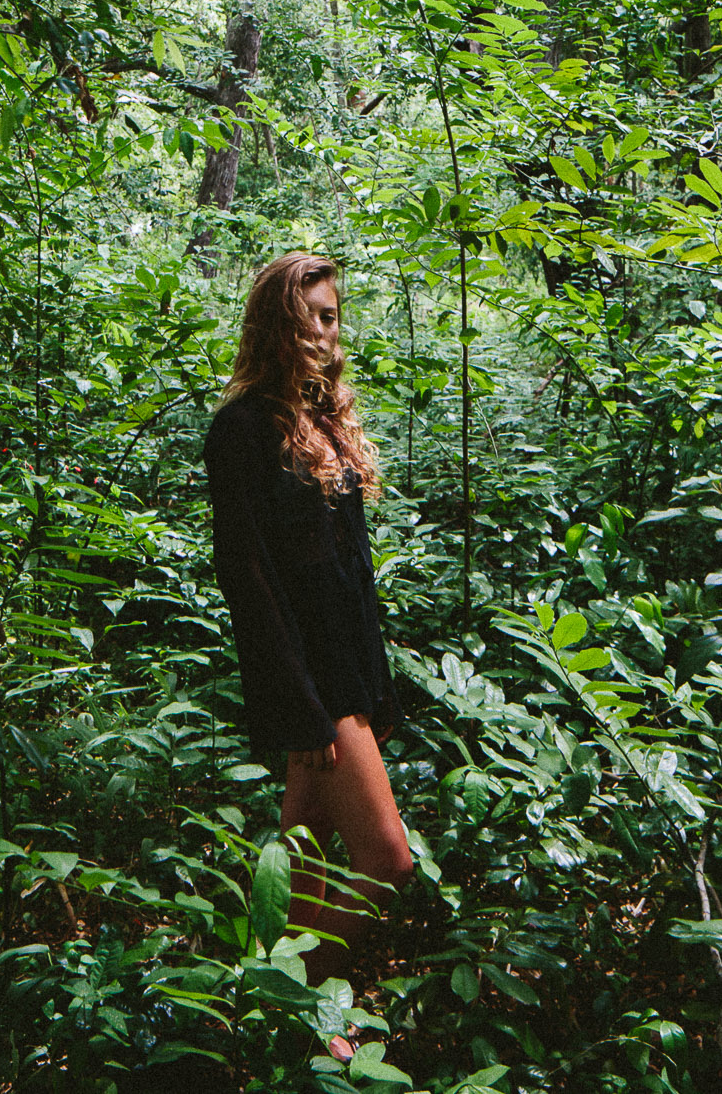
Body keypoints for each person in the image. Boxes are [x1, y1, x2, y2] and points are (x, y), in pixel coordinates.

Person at [203, 253, 414, 1014]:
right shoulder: (240, 430)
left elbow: (354, 576)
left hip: (348, 672)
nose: (326, 332)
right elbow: (250, 582)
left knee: (308, 855)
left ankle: (292, 1023)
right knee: (387, 861)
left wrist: (378, 688)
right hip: (311, 682)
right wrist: (301, 707)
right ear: (278, 323)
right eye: (312, 317)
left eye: (333, 317)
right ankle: (289, 1002)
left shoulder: (324, 421)